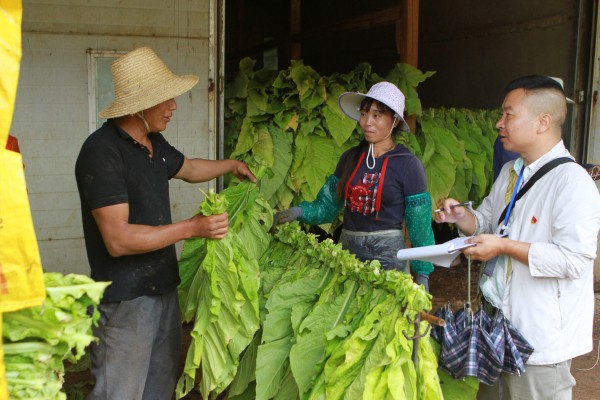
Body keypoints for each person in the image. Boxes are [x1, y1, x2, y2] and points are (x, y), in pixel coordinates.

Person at [75, 47, 256, 400]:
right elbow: (118, 239)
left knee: (158, 388)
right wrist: (193, 228)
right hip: (125, 298)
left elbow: (190, 168)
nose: (174, 106)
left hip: (162, 290)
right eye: (167, 99)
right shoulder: (102, 151)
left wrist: (231, 164)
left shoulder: (152, 143)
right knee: (120, 392)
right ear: (142, 103)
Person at [435, 75, 600, 399]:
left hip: (538, 339)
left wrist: (503, 246)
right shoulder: (512, 173)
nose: (499, 123)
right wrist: (463, 218)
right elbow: (486, 221)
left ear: (542, 122)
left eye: (509, 114)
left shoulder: (572, 183)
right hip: (499, 324)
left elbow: (573, 260)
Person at [274, 81, 435, 291]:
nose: (368, 122)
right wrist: (298, 211)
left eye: (377, 116)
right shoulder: (350, 158)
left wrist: (423, 275)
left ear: (394, 121)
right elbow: (327, 207)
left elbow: (419, 228)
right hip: (348, 260)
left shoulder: (408, 165)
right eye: (364, 114)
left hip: (389, 266)